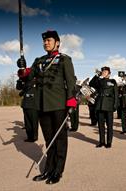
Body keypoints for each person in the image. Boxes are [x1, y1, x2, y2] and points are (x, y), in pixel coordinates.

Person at [17, 30, 77, 184]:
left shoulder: (64, 59)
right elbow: (28, 77)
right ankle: (48, 170)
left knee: (60, 139)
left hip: (58, 104)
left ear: (57, 42)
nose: (46, 43)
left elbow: (70, 81)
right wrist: (23, 69)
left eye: (49, 40)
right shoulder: (39, 60)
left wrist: (71, 99)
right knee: (49, 139)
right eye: (44, 41)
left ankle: (58, 171)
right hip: (42, 105)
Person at [89, 66, 118, 148]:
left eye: (105, 72)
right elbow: (91, 84)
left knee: (109, 125)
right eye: (103, 72)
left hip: (109, 105)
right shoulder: (99, 81)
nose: (104, 73)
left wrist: (115, 105)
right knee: (101, 125)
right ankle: (101, 142)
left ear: (109, 73)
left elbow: (115, 94)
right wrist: (97, 75)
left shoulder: (113, 81)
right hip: (100, 105)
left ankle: (109, 142)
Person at [16, 76, 39, 142]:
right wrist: (19, 79)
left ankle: (34, 137)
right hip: (25, 104)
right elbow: (18, 88)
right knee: (27, 122)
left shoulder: (35, 80)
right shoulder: (25, 81)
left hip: (33, 104)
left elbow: (29, 86)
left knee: (33, 122)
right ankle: (29, 136)